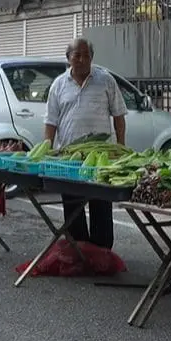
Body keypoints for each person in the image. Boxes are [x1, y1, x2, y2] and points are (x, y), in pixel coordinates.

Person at [44, 39, 127, 250]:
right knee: (73, 207)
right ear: (68, 58)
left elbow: (119, 116)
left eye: (86, 55)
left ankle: (101, 251)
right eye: (77, 55)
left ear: (92, 58)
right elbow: (51, 122)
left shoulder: (106, 80)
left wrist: (121, 148)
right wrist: (46, 150)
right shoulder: (58, 85)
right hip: (69, 158)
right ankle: (78, 250)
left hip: (100, 158)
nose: (82, 60)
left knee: (101, 204)